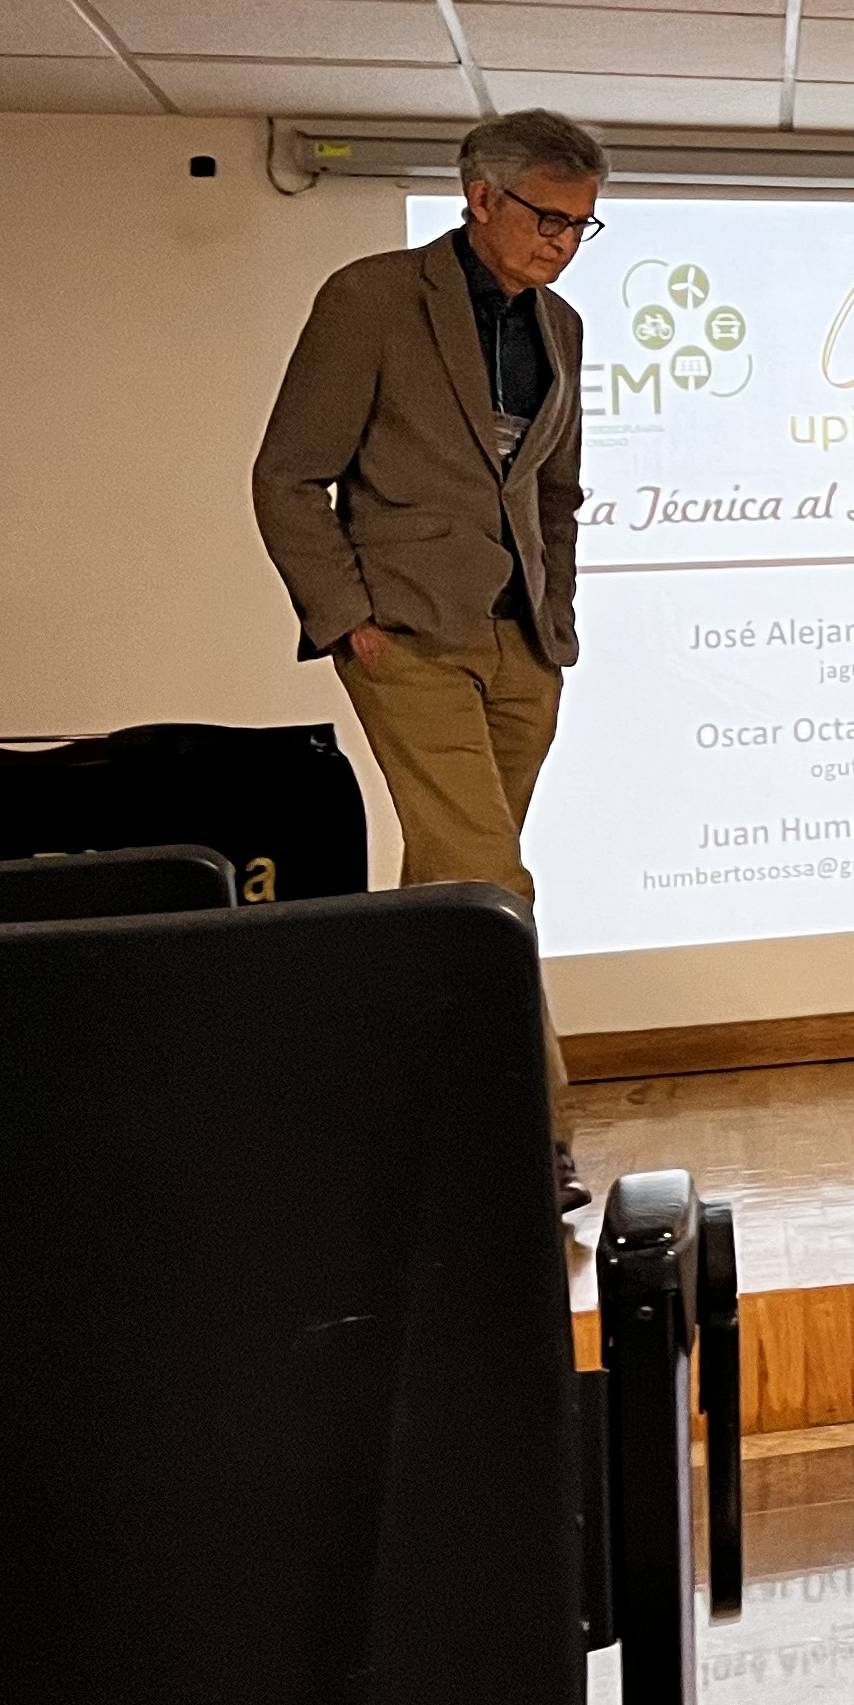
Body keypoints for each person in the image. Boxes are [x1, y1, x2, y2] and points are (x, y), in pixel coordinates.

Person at [253, 109, 606, 1211]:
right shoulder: (372, 298)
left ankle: (410, 1117)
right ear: (482, 198)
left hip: (521, 645)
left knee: (451, 887)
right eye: (546, 218)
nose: (561, 242)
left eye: (581, 226)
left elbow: (555, 493)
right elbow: (287, 476)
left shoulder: (562, 326)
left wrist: (555, 621)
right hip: (405, 634)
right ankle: (529, 1137)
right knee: (492, 881)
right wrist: (348, 617)